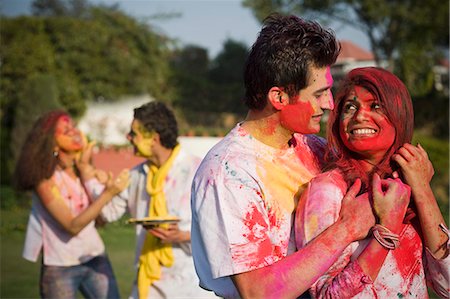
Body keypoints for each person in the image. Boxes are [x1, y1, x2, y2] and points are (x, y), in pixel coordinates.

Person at [190, 13, 411, 298]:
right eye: (319, 93)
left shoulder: (315, 148)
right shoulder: (228, 174)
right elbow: (259, 293)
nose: (330, 103)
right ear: (279, 98)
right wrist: (346, 229)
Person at [295, 67, 450, 298]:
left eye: (375, 106)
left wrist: (422, 189)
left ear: (400, 115)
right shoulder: (328, 191)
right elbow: (327, 295)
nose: (359, 116)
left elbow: (446, 286)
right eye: (350, 107)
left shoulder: (406, 185)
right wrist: (387, 229)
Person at [99, 101, 213, 299]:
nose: (128, 138)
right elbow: (107, 214)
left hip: (188, 285)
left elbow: (218, 230)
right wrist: (100, 186)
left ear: (154, 138)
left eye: (134, 133)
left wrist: (182, 236)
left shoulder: (198, 170)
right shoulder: (136, 176)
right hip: (148, 286)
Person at [15, 110, 130, 299]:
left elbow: (101, 218)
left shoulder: (81, 172)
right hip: (60, 265)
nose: (74, 131)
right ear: (51, 141)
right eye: (66, 130)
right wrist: (108, 193)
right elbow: (72, 226)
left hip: (95, 257)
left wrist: (94, 178)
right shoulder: (44, 181)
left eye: (74, 127)